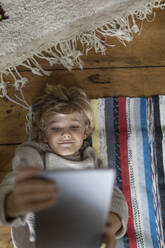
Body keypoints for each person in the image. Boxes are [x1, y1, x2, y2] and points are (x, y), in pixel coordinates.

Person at [0, 84, 128, 248]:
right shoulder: (35, 155)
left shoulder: (91, 161)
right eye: (56, 127)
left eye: (73, 126)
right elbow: (13, 182)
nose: (65, 133)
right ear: (45, 135)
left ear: (84, 133)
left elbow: (115, 198)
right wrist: (13, 202)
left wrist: (109, 225)